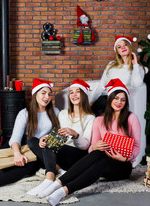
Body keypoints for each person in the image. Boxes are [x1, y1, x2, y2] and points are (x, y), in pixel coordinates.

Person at [38, 78, 141, 206]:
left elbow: (136, 146)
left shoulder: (131, 118)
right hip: (105, 159)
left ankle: (63, 191)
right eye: (116, 98)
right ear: (110, 100)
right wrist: (95, 146)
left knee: (101, 161)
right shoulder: (99, 120)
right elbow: (91, 149)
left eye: (122, 99)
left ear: (126, 102)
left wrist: (124, 158)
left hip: (122, 165)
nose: (119, 102)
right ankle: (57, 184)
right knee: (97, 155)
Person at [26, 79, 95, 197]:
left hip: (76, 155)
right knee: (33, 141)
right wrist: (46, 138)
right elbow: (57, 135)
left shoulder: (90, 118)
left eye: (77, 91)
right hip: (59, 152)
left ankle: (49, 177)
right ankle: (59, 170)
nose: (74, 95)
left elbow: (85, 146)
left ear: (83, 94)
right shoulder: (63, 114)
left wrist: (75, 135)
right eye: (71, 92)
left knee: (50, 147)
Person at [90, 35, 147, 116]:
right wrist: (92, 101)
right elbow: (102, 85)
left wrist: (135, 65)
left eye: (125, 45)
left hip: (120, 100)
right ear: (117, 51)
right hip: (106, 97)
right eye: (119, 47)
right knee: (99, 105)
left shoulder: (138, 67)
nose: (123, 47)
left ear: (129, 46)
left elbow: (136, 84)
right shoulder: (111, 65)